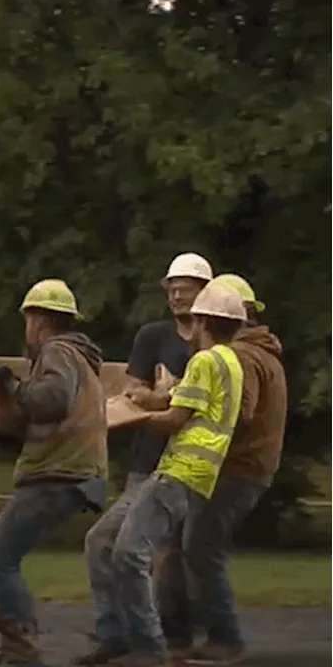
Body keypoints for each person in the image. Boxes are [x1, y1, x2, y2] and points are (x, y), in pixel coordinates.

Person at [100, 283, 248, 667]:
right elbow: (183, 402)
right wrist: (157, 398)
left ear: (202, 321)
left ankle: (149, 650)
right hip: (201, 475)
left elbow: (174, 419)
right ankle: (152, 645)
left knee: (128, 553)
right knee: (139, 552)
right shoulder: (232, 362)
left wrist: (127, 415)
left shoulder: (203, 361)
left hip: (179, 470)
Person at [75, 252, 213, 665]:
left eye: (184, 287)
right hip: (148, 461)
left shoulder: (217, 348)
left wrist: (163, 397)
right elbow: (134, 391)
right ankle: (116, 631)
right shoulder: (153, 336)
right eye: (171, 288)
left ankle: (173, 639)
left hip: (191, 466)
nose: (175, 295)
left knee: (173, 556)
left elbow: (202, 403)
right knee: (104, 541)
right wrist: (165, 396)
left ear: (204, 291)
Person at [151, 274, 288, 664]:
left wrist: (174, 402)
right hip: (245, 467)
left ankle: (225, 638)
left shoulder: (242, 357)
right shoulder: (262, 354)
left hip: (236, 468)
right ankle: (178, 634)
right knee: (182, 546)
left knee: (200, 547)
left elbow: (237, 412)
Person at [0, 279, 109, 665]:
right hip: (73, 473)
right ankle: (17, 641)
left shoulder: (57, 351)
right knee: (1, 552)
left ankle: (21, 645)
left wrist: (13, 389)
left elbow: (52, 400)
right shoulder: (79, 357)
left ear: (38, 319)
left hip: (60, 473)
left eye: (28, 319)